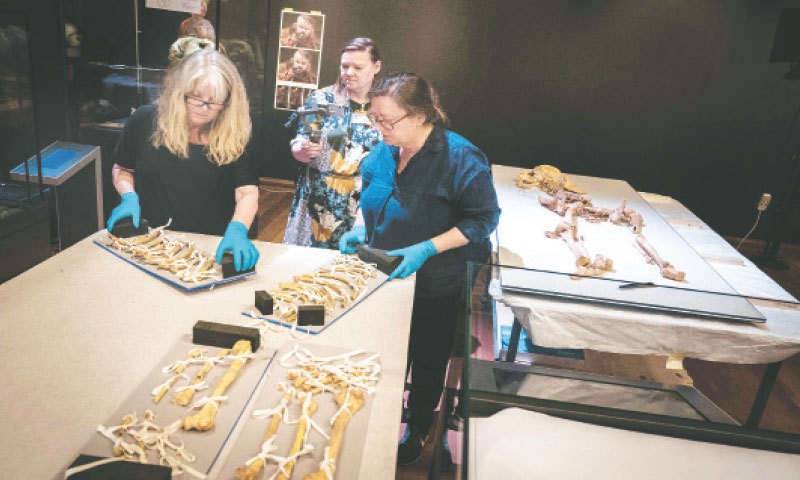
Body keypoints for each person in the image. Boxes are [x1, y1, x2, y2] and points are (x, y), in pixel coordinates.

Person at [339, 72, 501, 466]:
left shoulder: (461, 157)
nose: (379, 128)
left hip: (434, 283)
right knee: (382, 353)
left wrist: (427, 248)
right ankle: (377, 419)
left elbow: (483, 220)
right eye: (374, 118)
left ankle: (417, 428)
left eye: (387, 121)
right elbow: (372, 201)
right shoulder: (381, 152)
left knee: (428, 359)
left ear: (420, 115)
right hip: (381, 278)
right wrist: (361, 229)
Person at [106, 48, 260, 273]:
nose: (204, 109)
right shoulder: (144, 121)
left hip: (210, 250)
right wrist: (128, 197)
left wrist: (238, 230)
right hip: (152, 245)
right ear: (180, 92)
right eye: (196, 98)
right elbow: (123, 168)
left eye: (214, 102)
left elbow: (247, 192)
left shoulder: (237, 131)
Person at [283, 37, 383, 249]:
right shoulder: (321, 99)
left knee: (352, 267)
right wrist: (303, 149)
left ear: (376, 67)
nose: (349, 72)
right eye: (345, 66)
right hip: (318, 200)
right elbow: (298, 143)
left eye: (358, 67)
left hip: (362, 203)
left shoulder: (384, 105)